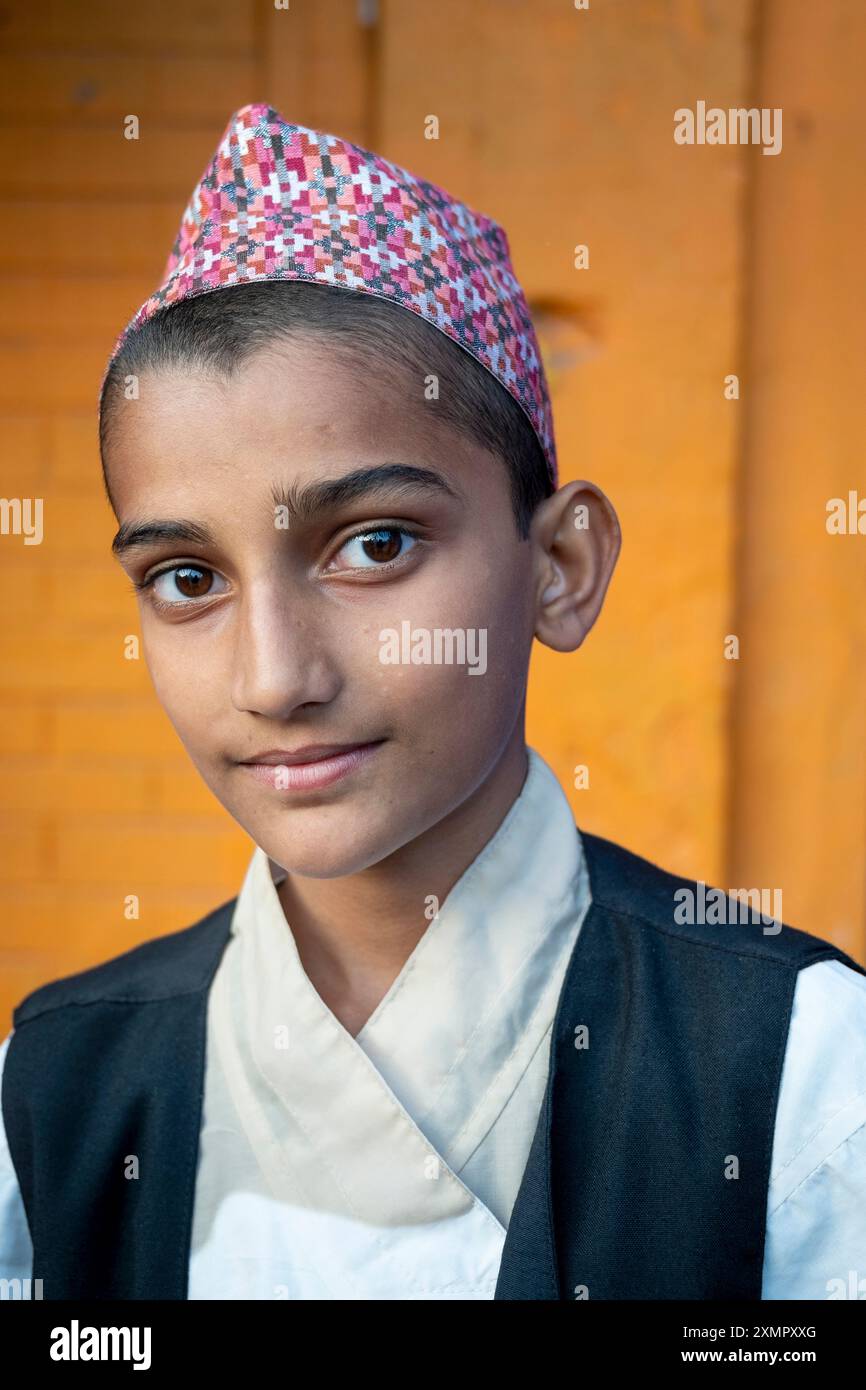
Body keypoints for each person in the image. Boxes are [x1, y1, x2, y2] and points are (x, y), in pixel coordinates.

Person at [2, 103, 865, 1302]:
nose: (273, 679)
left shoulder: (800, 1068)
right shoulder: (53, 1089)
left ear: (557, 567)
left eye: (373, 544)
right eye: (186, 579)